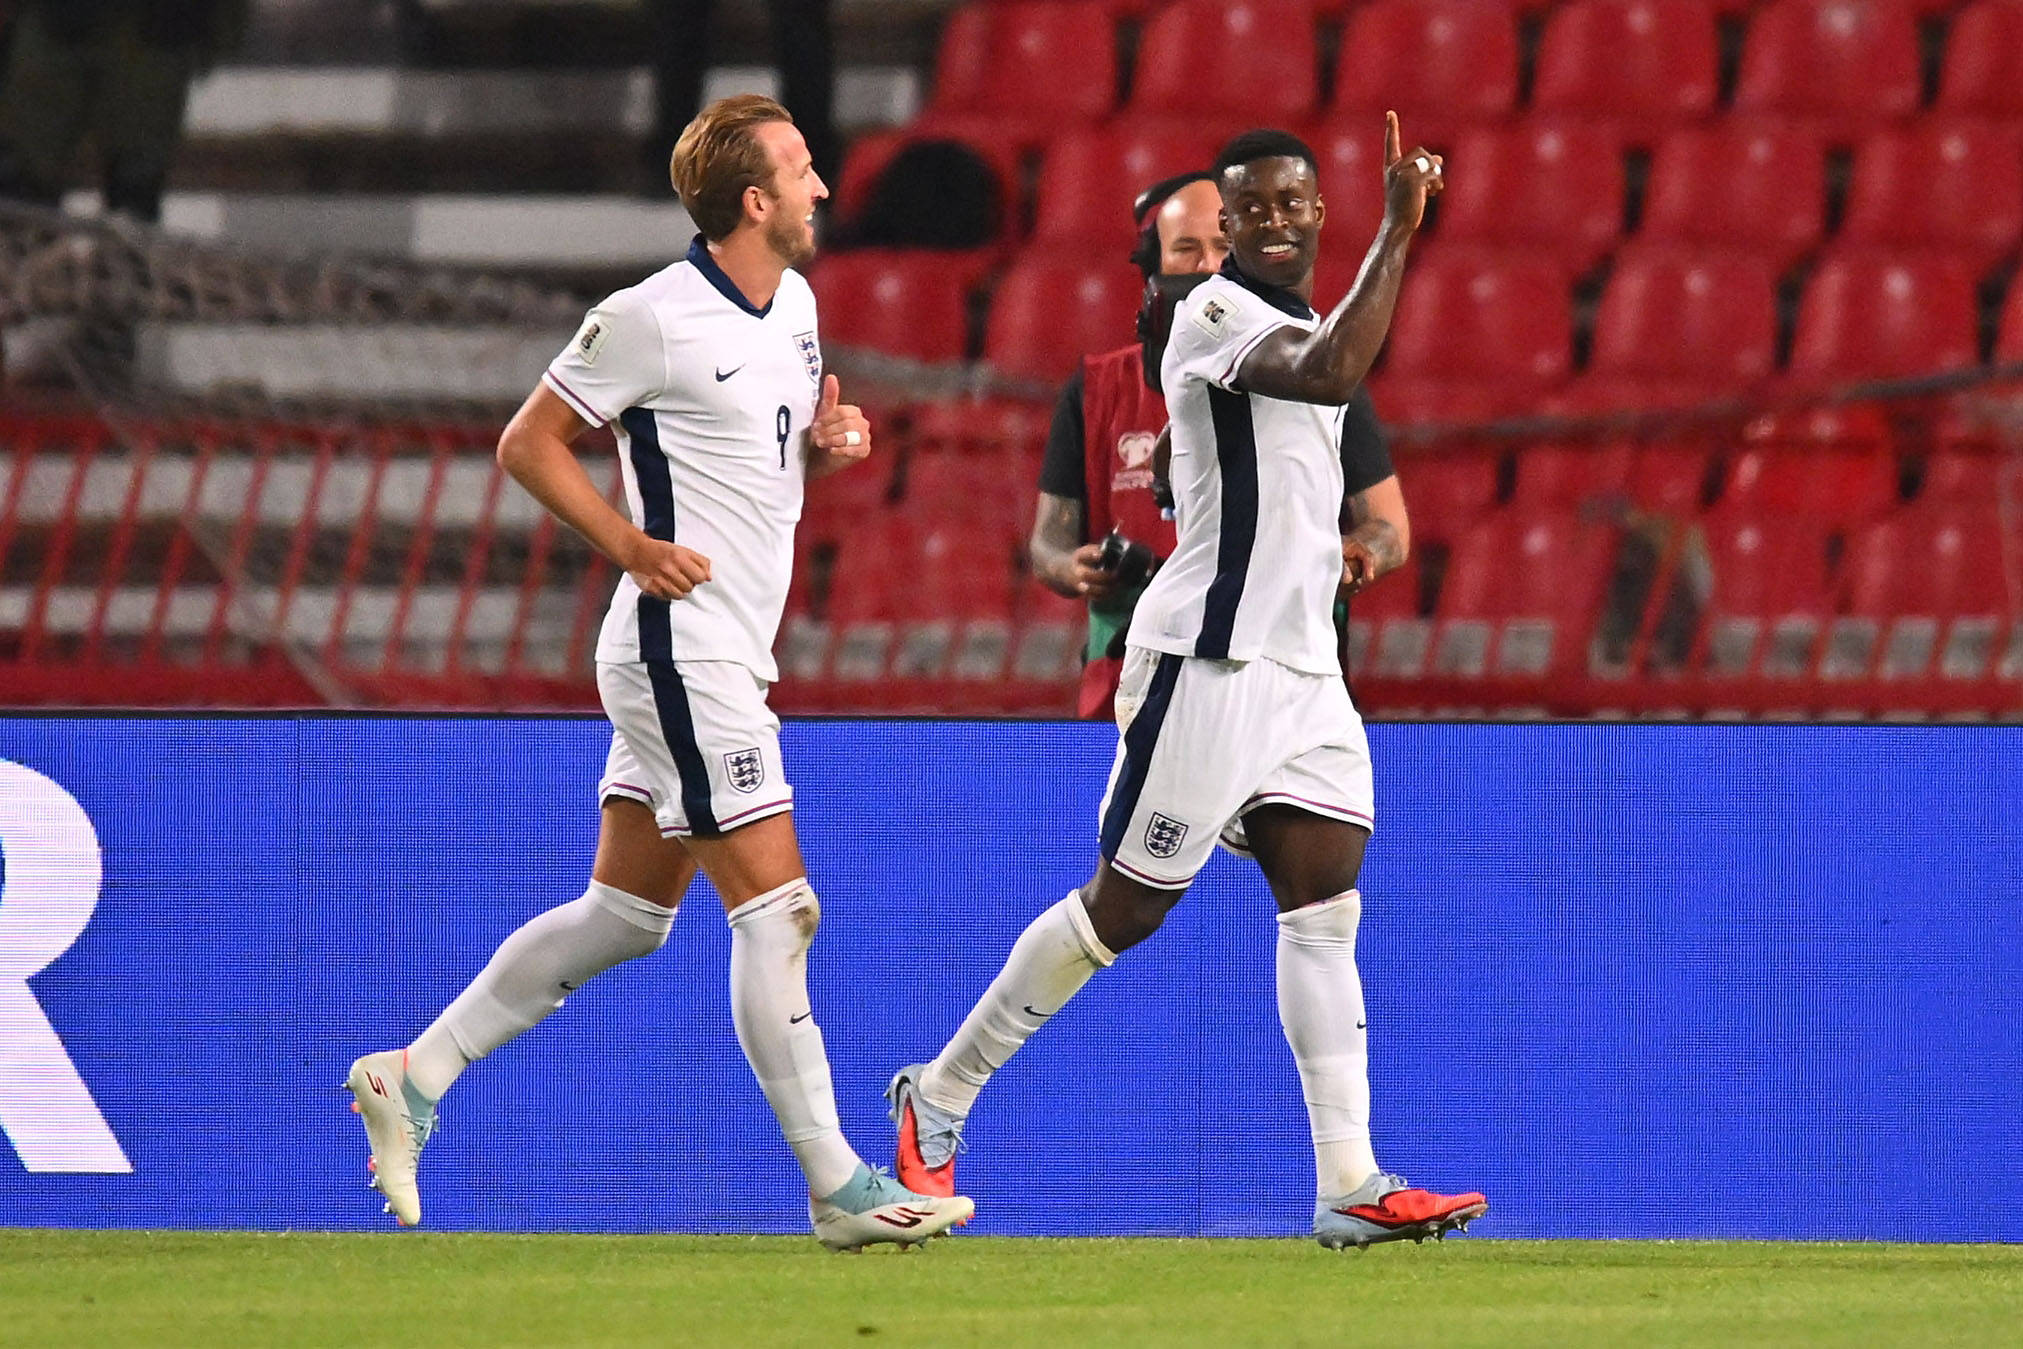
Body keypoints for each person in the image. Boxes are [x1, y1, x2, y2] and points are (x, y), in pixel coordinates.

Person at [345, 94, 972, 1252]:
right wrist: (629, 546)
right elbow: (526, 442)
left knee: (627, 916)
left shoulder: (798, 305)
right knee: (780, 912)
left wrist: (825, 449)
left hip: (724, 651)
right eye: (800, 170)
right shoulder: (650, 316)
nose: (823, 187)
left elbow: (754, 469)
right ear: (753, 201)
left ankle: (412, 1071)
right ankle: (839, 1187)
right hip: (680, 652)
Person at [887, 115, 1486, 1251]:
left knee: (1325, 908)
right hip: (1206, 659)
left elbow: (1336, 410)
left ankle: (1348, 1180)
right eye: (1245, 209)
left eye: (1290, 202)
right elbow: (1327, 373)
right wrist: (1400, 233)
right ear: (1219, 232)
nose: (1268, 221)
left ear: (1317, 212)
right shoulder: (1214, 312)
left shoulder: (1317, 315)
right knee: (1128, 908)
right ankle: (941, 1092)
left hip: (1305, 669)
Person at [1033, 172, 1401, 720]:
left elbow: (1390, 527)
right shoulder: (1096, 390)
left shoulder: (1321, 370)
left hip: (1283, 682)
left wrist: (1361, 552)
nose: (1208, 265)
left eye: (1222, 248)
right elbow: (1047, 544)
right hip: (1133, 679)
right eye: (1186, 249)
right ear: (1151, 265)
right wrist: (1073, 567)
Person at [0, 0, 244, 222]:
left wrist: (220, 31)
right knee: (23, 185)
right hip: (58, 27)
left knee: (134, 195)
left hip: (154, 32)